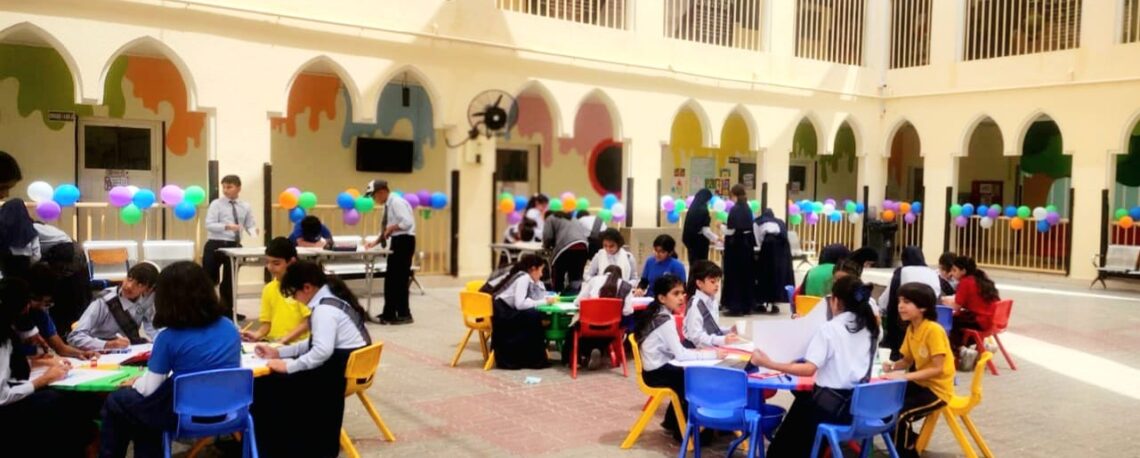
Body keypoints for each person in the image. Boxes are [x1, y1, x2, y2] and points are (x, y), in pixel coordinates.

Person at [100, 261, 241, 458]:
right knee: (145, 413)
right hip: (230, 410)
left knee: (120, 401)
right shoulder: (229, 327)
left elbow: (149, 389)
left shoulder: (168, 338)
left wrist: (137, 382)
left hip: (184, 414)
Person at [252, 261, 372, 458]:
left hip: (335, 373)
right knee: (273, 380)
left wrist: (289, 366)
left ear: (307, 288)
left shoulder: (324, 310)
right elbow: (313, 344)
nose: (294, 299)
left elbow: (321, 352)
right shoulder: (332, 298)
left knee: (265, 385)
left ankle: (270, 449)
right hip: (344, 367)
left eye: (294, 293)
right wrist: (279, 353)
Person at [750, 275, 880, 456]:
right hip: (860, 408)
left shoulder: (831, 329)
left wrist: (769, 363)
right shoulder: (872, 328)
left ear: (835, 301)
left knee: (792, 427)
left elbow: (808, 369)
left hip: (831, 408)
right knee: (803, 401)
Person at [0, 277, 100, 457]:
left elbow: (8, 367)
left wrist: (39, 362)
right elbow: (3, 395)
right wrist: (44, 379)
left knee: (75, 404)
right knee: (65, 407)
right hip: (8, 410)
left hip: (17, 392)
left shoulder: (23, 325)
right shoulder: (4, 340)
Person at [635, 275, 725, 441]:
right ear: (662, 298)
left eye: (682, 293)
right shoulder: (665, 320)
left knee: (686, 374)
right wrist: (712, 355)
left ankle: (673, 423)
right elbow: (681, 355)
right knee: (693, 379)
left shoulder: (657, 313)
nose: (681, 298)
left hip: (654, 369)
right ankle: (686, 431)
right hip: (656, 373)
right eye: (675, 294)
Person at [883, 282, 956, 458]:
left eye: (907, 302)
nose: (900, 306)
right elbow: (907, 360)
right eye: (900, 301)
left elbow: (937, 368)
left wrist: (905, 376)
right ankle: (909, 442)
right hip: (920, 383)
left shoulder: (933, 330)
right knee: (884, 405)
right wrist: (892, 366)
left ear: (923, 307)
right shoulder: (912, 328)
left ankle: (906, 452)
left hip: (937, 390)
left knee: (900, 415)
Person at [68, 262, 159, 350]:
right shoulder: (103, 301)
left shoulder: (146, 300)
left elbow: (151, 327)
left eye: (139, 284)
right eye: (129, 278)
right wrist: (108, 344)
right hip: (100, 351)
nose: (129, 286)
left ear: (148, 289)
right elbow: (74, 336)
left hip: (129, 349)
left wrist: (160, 342)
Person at [202, 174, 257, 321]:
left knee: (230, 281)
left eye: (229, 187)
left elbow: (250, 224)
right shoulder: (216, 204)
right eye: (224, 187)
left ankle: (228, 312)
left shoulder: (245, 206)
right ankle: (207, 311)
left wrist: (254, 232)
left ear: (238, 188)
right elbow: (209, 224)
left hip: (234, 246)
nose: (226, 190)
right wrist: (227, 226)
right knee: (209, 280)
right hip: (215, 244)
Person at [15, 263, 98, 360]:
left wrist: (82, 353)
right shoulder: (11, 315)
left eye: (46, 303)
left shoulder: (40, 314)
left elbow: (60, 348)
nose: (41, 306)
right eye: (36, 299)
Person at [489, 254, 555, 370]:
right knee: (533, 316)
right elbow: (520, 304)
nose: (541, 274)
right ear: (533, 269)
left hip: (505, 310)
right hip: (503, 313)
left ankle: (532, 359)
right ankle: (534, 360)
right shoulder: (523, 278)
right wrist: (543, 302)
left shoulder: (525, 276)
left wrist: (538, 285)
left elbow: (534, 296)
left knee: (532, 314)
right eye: (540, 270)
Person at [364, 179, 416, 325]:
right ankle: (390, 312)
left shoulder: (396, 202)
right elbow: (387, 229)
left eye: (373, 196)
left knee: (398, 279)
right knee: (392, 279)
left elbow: (407, 223)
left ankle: (403, 314)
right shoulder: (389, 204)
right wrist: (375, 242)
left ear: (381, 192)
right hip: (398, 241)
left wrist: (392, 228)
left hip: (404, 241)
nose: (374, 199)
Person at [240, 237, 310, 343]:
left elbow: (308, 321)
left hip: (297, 345)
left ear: (291, 262)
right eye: (267, 262)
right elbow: (267, 324)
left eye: (276, 263)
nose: (270, 267)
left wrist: (284, 339)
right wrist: (257, 334)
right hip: (274, 343)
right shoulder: (268, 289)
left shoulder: (302, 288)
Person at [879, 247, 943, 360]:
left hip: (903, 322)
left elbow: (888, 297)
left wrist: (882, 308)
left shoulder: (902, 272)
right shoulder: (933, 273)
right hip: (929, 314)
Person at [566, 265, 634, 368]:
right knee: (612, 330)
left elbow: (578, 302)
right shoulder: (627, 286)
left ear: (604, 272)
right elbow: (627, 311)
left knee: (573, 329)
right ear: (620, 276)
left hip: (589, 327)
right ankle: (597, 351)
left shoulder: (594, 280)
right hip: (611, 330)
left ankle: (578, 359)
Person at [943, 256, 1000, 352]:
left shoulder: (965, 282)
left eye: (954, 270)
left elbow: (957, 306)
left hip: (980, 321)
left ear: (963, 271)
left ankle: (958, 349)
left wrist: (944, 300)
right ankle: (974, 346)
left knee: (950, 322)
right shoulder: (981, 278)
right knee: (959, 318)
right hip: (992, 320)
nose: (951, 273)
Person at [683, 260, 740, 347]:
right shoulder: (695, 305)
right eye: (712, 282)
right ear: (699, 283)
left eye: (718, 281)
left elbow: (711, 329)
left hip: (708, 346)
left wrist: (729, 330)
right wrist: (721, 340)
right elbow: (696, 337)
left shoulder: (713, 301)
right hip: (693, 348)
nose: (717, 285)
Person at [721, 185, 756, 317]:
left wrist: (721, 227)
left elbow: (732, 230)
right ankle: (747, 305)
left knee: (734, 276)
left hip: (736, 248)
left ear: (734, 195)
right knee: (746, 276)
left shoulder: (735, 209)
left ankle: (735, 306)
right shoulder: (747, 208)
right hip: (747, 247)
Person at [753, 208, 795, 314]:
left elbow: (758, 240)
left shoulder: (758, 222)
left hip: (769, 247)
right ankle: (775, 303)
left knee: (765, 274)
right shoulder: (780, 222)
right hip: (783, 250)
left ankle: (761, 302)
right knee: (778, 275)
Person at [543, 211, 590, 294]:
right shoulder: (573, 218)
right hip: (583, 246)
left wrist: (546, 246)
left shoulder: (550, 218)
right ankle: (574, 296)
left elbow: (547, 236)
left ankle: (557, 294)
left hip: (565, 247)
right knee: (576, 277)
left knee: (558, 275)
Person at [0, 198, 37, 279]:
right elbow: (37, 254)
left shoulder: (2, 227)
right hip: (24, 263)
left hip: (6, 262)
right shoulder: (30, 229)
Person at [682, 189, 717, 265]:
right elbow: (705, 231)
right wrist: (717, 239)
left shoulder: (692, 209)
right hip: (700, 243)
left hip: (691, 241)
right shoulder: (703, 210)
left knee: (693, 264)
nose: (708, 202)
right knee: (701, 266)